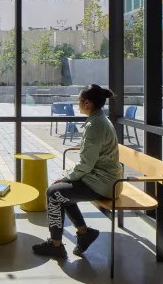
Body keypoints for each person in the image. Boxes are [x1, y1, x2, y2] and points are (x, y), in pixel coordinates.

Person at [32, 84, 122, 259]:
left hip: (103, 183)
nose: (78, 103)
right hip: (105, 179)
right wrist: (68, 179)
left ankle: (56, 245)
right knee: (63, 191)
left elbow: (86, 165)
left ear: (87, 103)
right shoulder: (99, 119)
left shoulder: (95, 126)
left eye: (79, 100)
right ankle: (83, 232)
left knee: (53, 193)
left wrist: (65, 177)